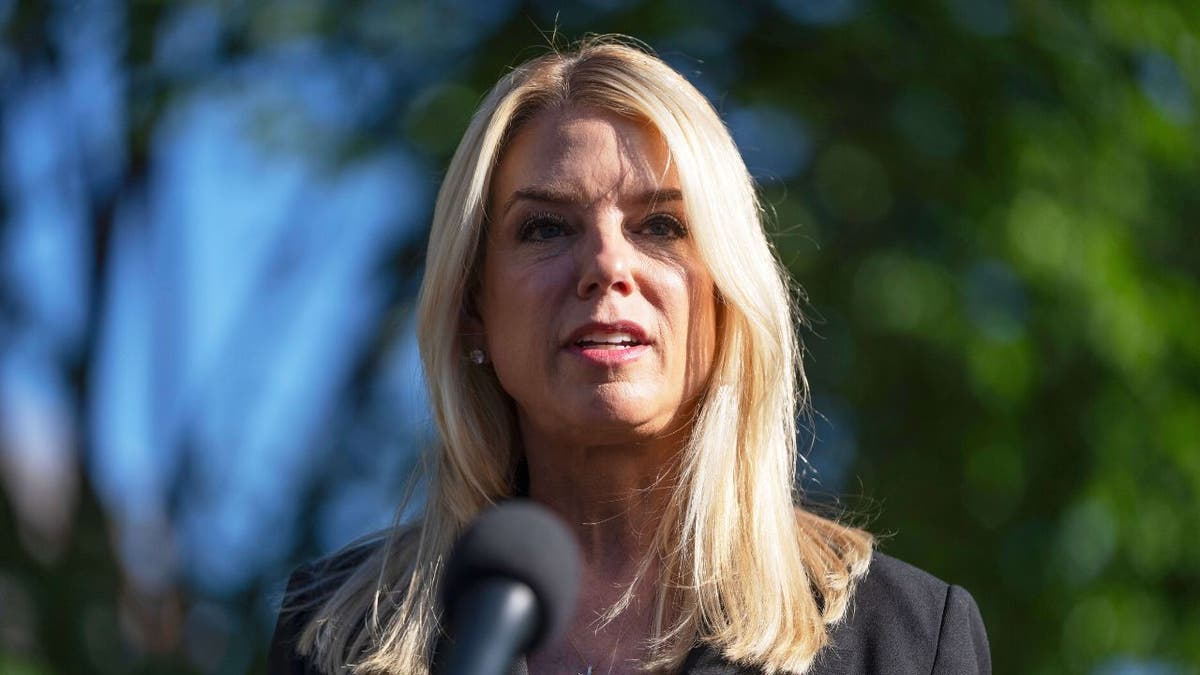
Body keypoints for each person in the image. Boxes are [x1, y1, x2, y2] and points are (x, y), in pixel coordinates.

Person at [268, 37, 990, 675]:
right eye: (546, 228)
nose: (607, 264)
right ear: (473, 311)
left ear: (726, 295)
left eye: (662, 225)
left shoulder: (907, 640)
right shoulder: (333, 633)